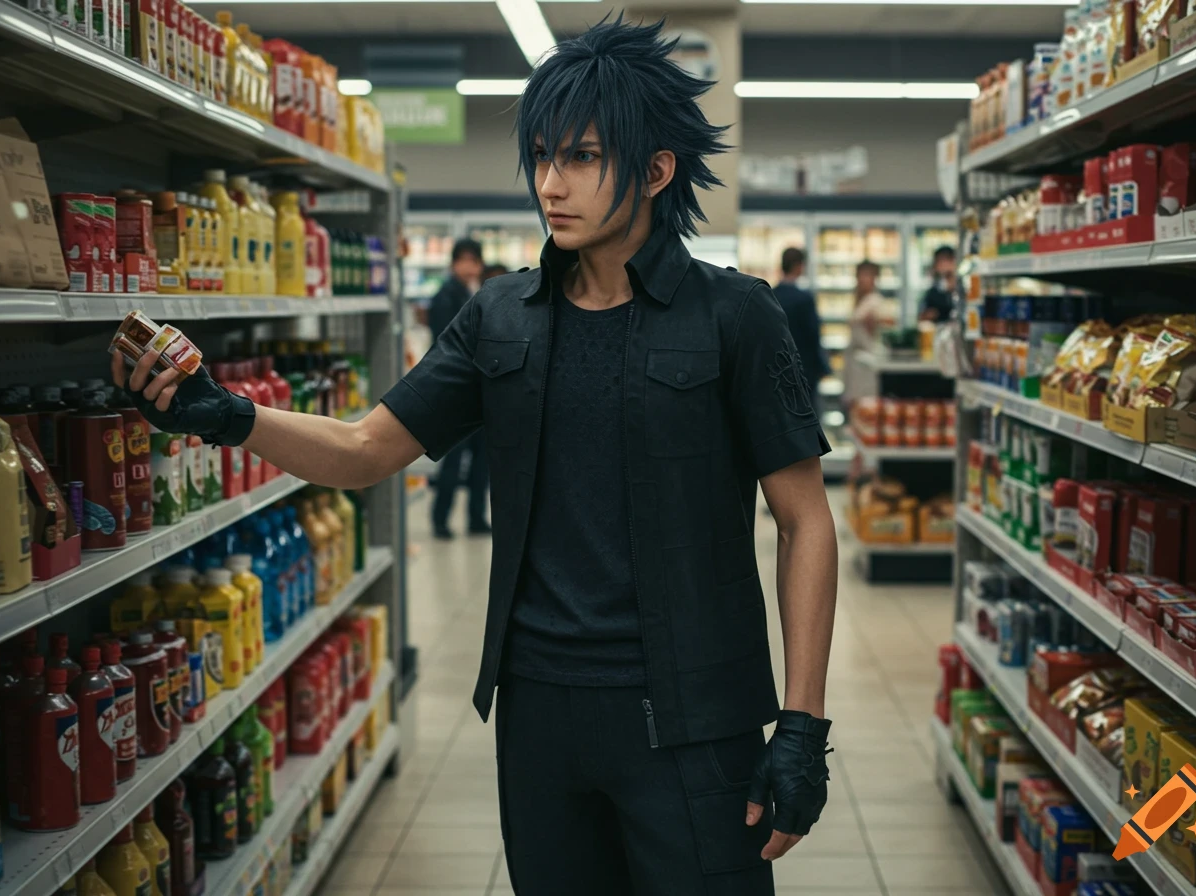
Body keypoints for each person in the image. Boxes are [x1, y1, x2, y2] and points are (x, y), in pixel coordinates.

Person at [110, 18, 838, 896]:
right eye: (539, 156)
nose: (549, 183)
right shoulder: (500, 318)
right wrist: (225, 415)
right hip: (539, 718)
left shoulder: (735, 318)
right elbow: (365, 449)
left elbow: (805, 522)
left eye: (579, 157)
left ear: (654, 170)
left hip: (694, 721)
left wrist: (801, 726)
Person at [428, 238, 490, 538]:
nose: (468, 266)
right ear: (453, 263)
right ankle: (441, 520)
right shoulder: (444, 297)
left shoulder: (478, 292)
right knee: (452, 459)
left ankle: (476, 518)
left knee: (482, 460)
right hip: (454, 392)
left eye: (473, 260)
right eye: (463, 260)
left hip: (481, 389)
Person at [773, 247, 830, 414]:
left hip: (778, 366)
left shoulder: (770, 294)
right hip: (804, 367)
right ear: (799, 266)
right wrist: (822, 366)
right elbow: (813, 335)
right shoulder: (804, 299)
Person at [843, 259, 893, 408]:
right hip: (855, 364)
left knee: (866, 409)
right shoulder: (860, 300)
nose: (862, 279)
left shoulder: (875, 302)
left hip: (867, 365)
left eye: (867, 275)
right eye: (860, 275)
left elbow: (887, 324)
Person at [917, 244, 957, 322]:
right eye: (940, 261)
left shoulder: (963, 288)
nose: (944, 265)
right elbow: (922, 317)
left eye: (948, 260)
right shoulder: (932, 293)